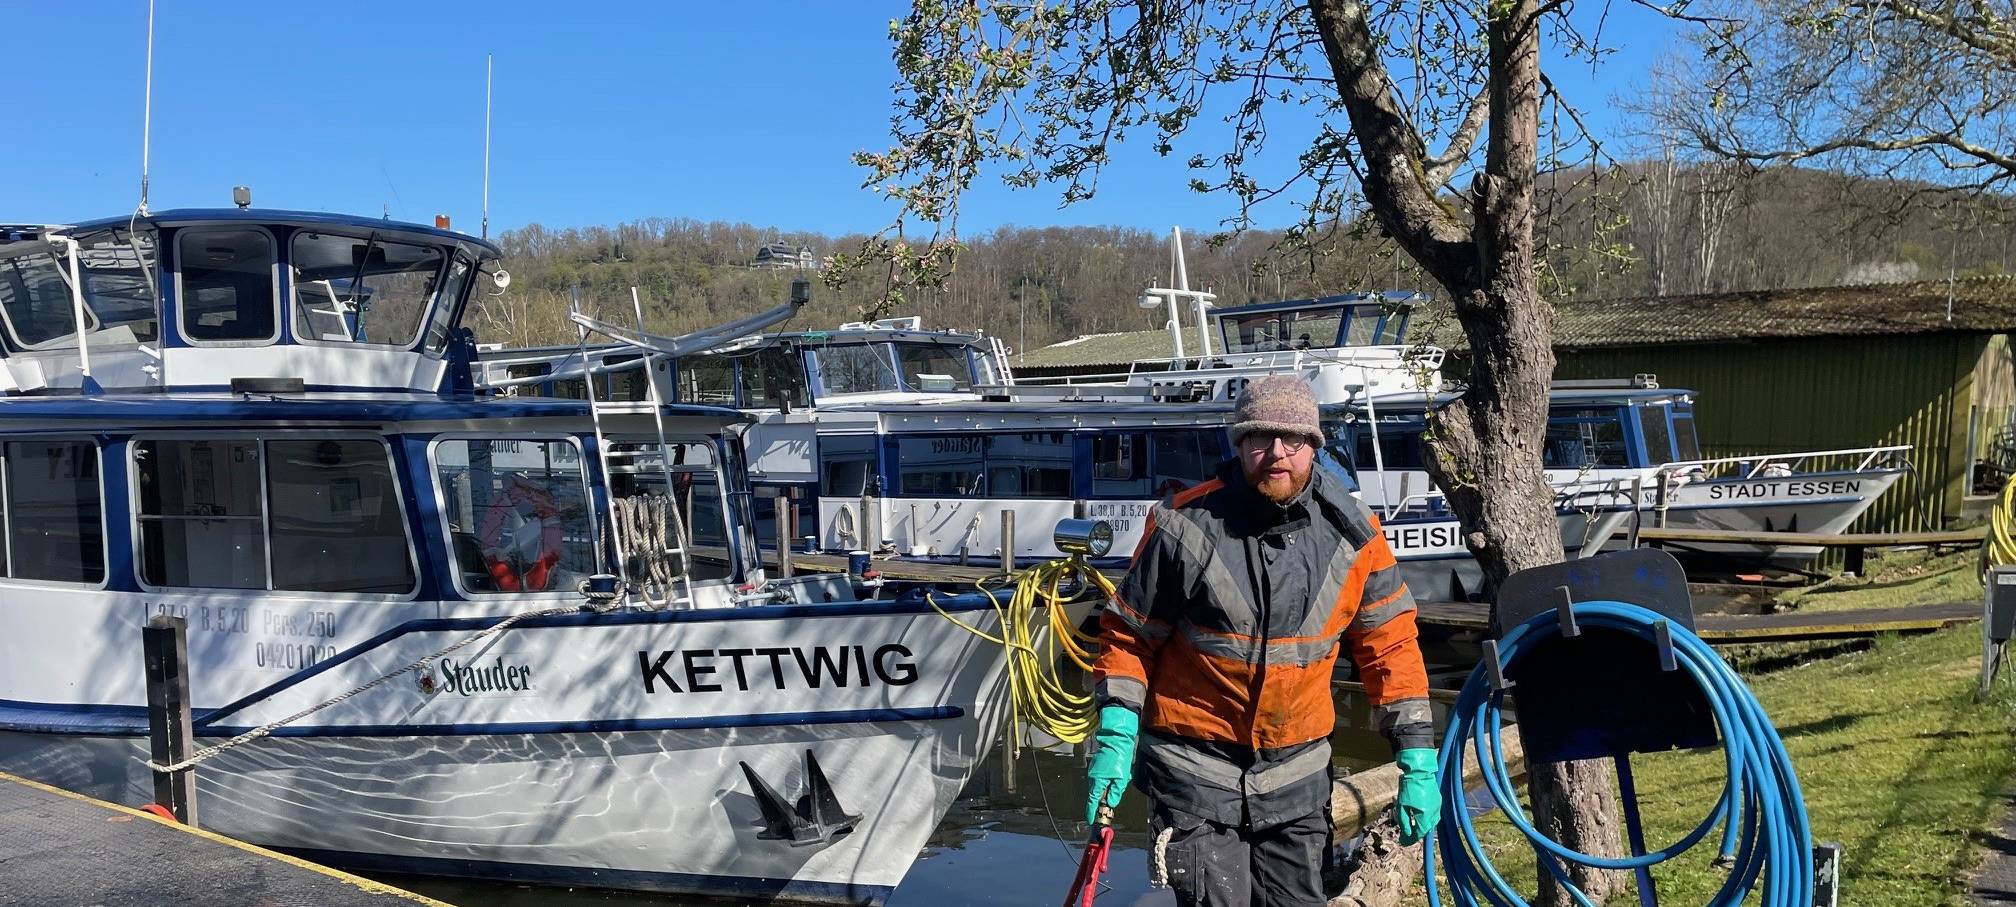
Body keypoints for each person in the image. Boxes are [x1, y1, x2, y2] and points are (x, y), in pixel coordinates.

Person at [1087, 375, 1440, 906]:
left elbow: (1390, 649)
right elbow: (1128, 637)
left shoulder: (1356, 537)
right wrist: (1116, 731)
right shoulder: (1183, 526)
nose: (1276, 453)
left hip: (1296, 784)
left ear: (1313, 447)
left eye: (1292, 439)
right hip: (1194, 781)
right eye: (1259, 439)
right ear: (1239, 445)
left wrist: (1418, 759)